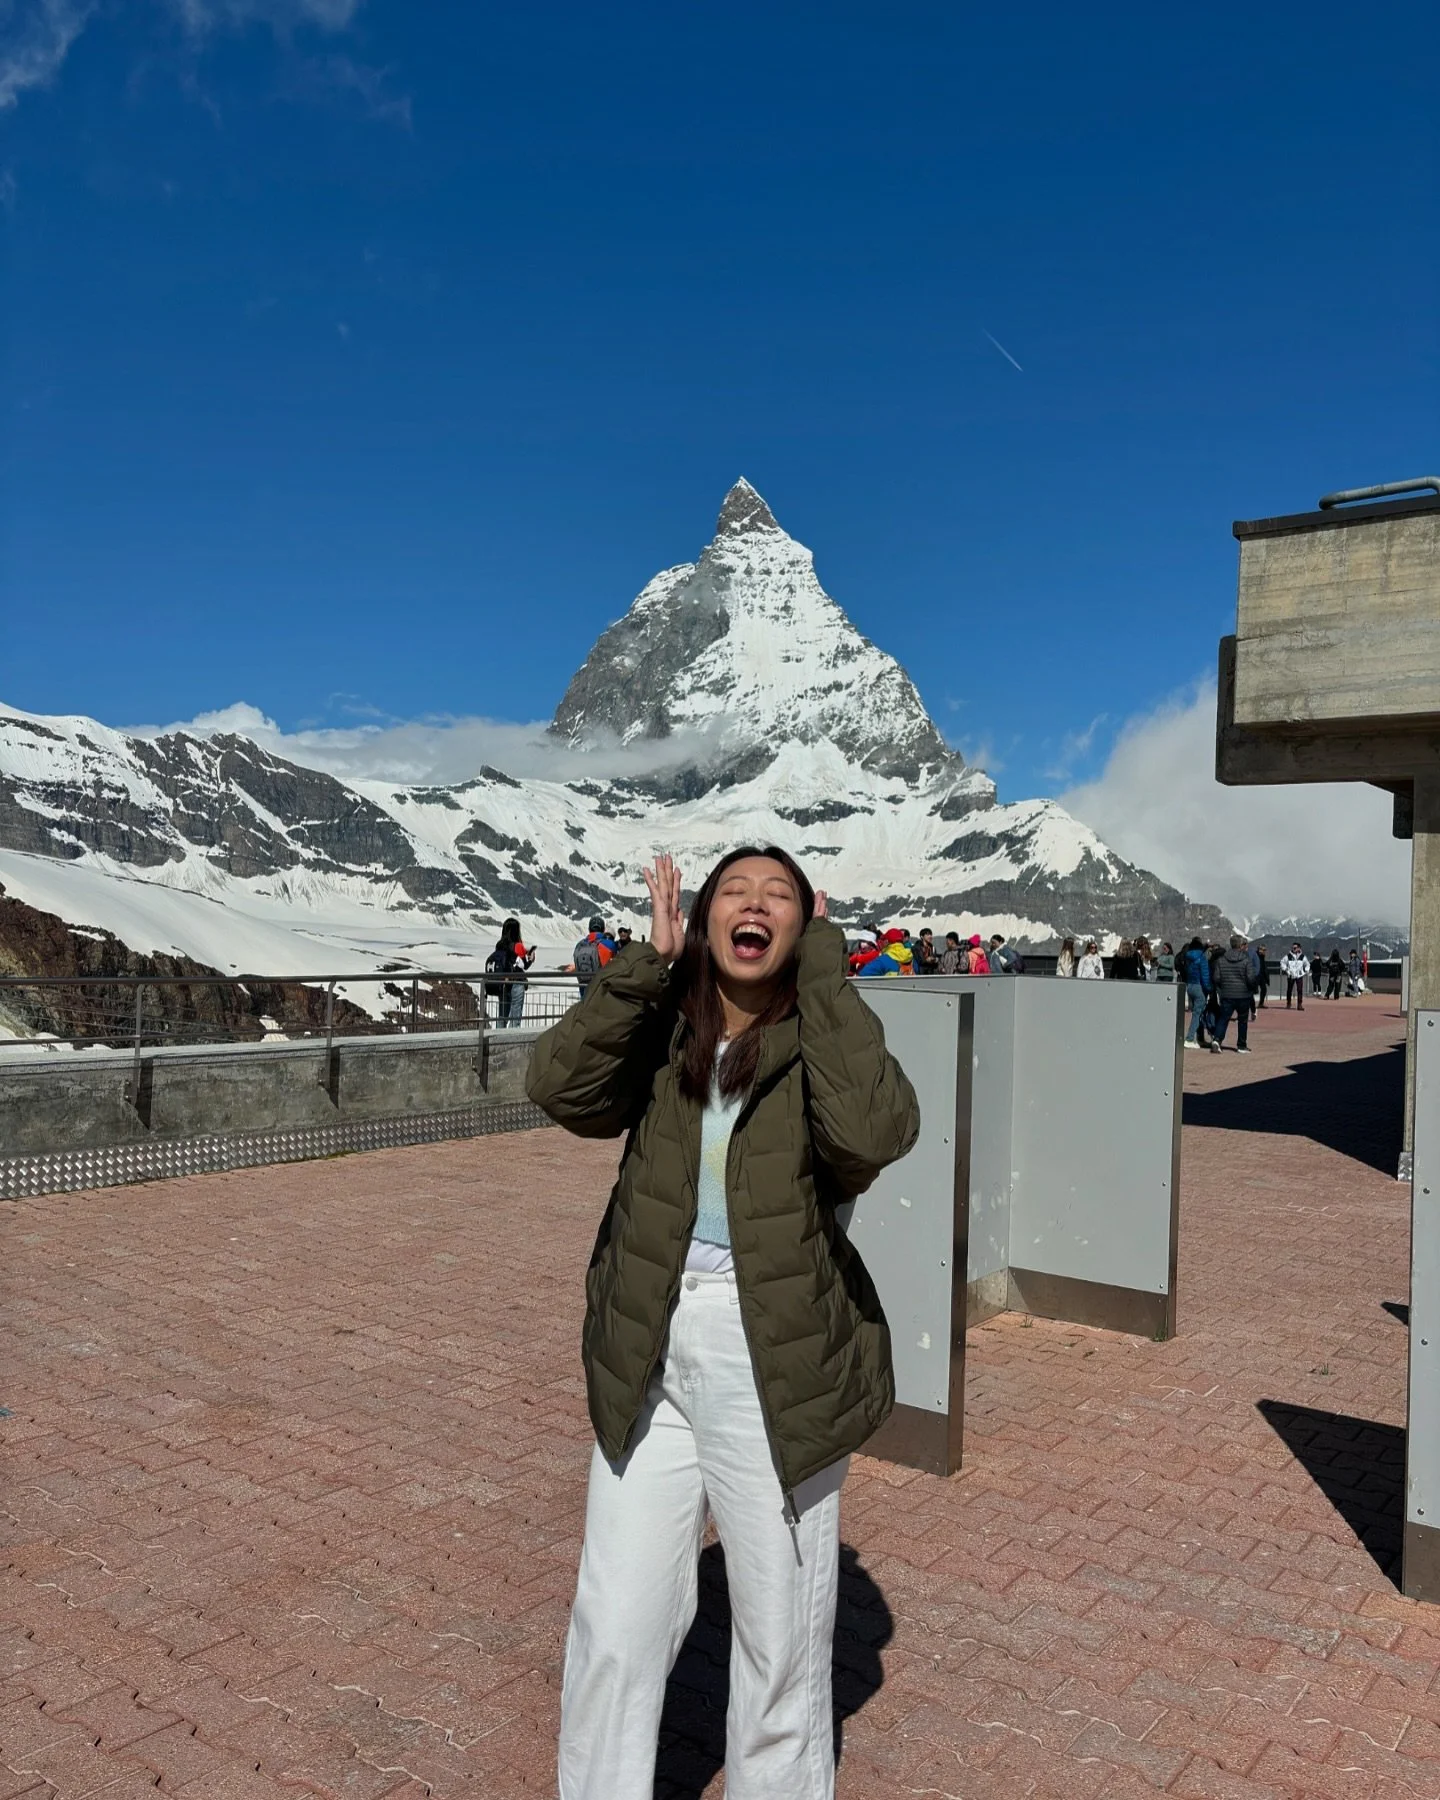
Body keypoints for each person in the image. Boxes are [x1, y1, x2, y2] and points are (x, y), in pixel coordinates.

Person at [527, 848, 920, 1800]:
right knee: (616, 1619)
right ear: (704, 919)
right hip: (650, 1343)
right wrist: (641, 974)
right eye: (734, 892)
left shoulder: (820, 1029)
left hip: (775, 1350)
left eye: (777, 895)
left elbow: (874, 1135)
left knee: (780, 1635)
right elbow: (560, 1089)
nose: (754, 905)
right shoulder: (664, 1022)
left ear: (801, 926)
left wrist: (827, 973)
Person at [1209, 933, 1258, 1053]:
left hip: (1227, 994)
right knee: (1242, 1021)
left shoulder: (1221, 960)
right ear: (1241, 945)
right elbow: (1251, 978)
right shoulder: (1246, 960)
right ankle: (1241, 1045)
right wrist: (1251, 989)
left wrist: (1223, 988)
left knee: (1223, 1018)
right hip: (1243, 995)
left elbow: (1216, 978)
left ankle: (1217, 1040)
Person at [486, 917, 535, 1028]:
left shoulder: (499, 945)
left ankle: (498, 1040)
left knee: (502, 1016)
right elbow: (523, 965)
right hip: (516, 983)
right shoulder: (517, 945)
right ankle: (512, 1039)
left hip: (503, 984)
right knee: (515, 1016)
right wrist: (531, 959)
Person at [573, 916, 618, 998]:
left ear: (589, 929)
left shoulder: (579, 945)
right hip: (602, 993)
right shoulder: (609, 944)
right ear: (603, 929)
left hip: (584, 992)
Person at [1177, 937, 1210, 1047]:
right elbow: (1205, 975)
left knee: (1197, 1013)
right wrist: (1208, 988)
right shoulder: (1201, 957)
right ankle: (1190, 1039)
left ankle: (1198, 1039)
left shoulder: (1188, 957)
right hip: (1199, 987)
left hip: (1190, 986)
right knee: (1197, 1014)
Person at [1281, 942, 1308, 1010]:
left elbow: (1307, 964)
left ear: (1299, 948)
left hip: (1299, 976)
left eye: (1295, 948)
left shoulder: (1303, 957)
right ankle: (1288, 1003)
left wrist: (1304, 971)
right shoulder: (1288, 956)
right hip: (1291, 975)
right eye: (1292, 948)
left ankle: (1299, 1005)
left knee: (1300, 990)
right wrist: (1286, 970)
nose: (1293, 949)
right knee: (1289, 990)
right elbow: (1282, 962)